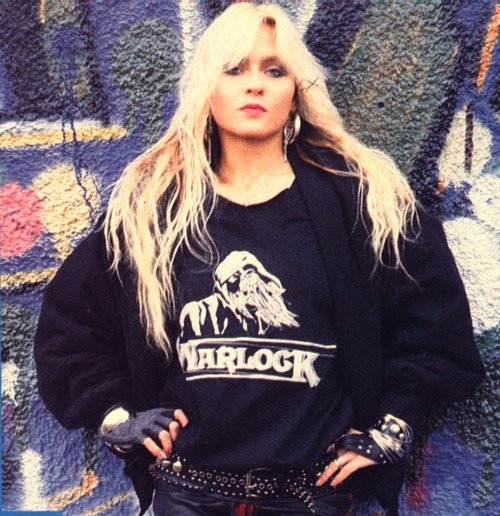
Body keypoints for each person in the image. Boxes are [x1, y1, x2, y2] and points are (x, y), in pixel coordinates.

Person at [34, 3, 485, 515]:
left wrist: (391, 428)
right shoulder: (155, 212)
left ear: (296, 92)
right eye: (234, 70)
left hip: (309, 498)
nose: (255, 85)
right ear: (207, 88)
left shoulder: (363, 203)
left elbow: (435, 327)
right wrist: (115, 418)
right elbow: (71, 330)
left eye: (274, 71)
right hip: (186, 494)